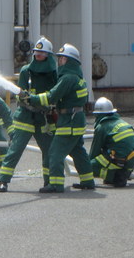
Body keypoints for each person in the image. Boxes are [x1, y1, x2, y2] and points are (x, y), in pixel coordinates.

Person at [27, 43, 95, 193]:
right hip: (76, 119)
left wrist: (32, 98)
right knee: (78, 151)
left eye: (63, 59)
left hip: (68, 121)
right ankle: (88, 180)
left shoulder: (68, 79)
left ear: (70, 61)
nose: (60, 62)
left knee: (55, 152)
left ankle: (56, 184)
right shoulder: (77, 78)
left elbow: (51, 96)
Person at [0, 37, 58, 192]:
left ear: (48, 55)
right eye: (36, 53)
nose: (38, 56)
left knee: (49, 150)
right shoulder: (26, 71)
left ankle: (49, 182)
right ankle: (3, 180)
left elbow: (55, 94)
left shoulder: (54, 73)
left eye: (41, 53)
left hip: (44, 118)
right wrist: (23, 97)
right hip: (25, 116)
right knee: (15, 149)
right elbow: (21, 93)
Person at [88, 97, 134, 187]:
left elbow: (95, 151)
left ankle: (114, 177)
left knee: (88, 167)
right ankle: (124, 172)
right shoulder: (122, 122)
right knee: (111, 152)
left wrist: (88, 166)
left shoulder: (101, 127)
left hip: (120, 157)